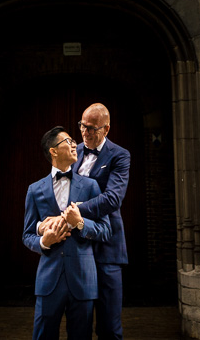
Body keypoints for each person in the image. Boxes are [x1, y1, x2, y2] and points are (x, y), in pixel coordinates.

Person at [23, 126, 112, 340]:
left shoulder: (91, 187)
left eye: (74, 141)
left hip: (82, 278)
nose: (75, 144)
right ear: (53, 151)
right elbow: (27, 235)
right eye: (68, 141)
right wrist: (44, 241)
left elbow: (106, 231)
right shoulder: (34, 190)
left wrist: (81, 223)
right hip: (48, 280)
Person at [72, 104, 130, 340]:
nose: (85, 133)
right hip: (77, 248)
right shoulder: (73, 151)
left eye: (92, 129)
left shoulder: (120, 155)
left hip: (108, 250)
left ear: (106, 129)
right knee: (78, 326)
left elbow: (113, 198)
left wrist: (77, 210)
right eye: (82, 126)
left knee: (109, 327)